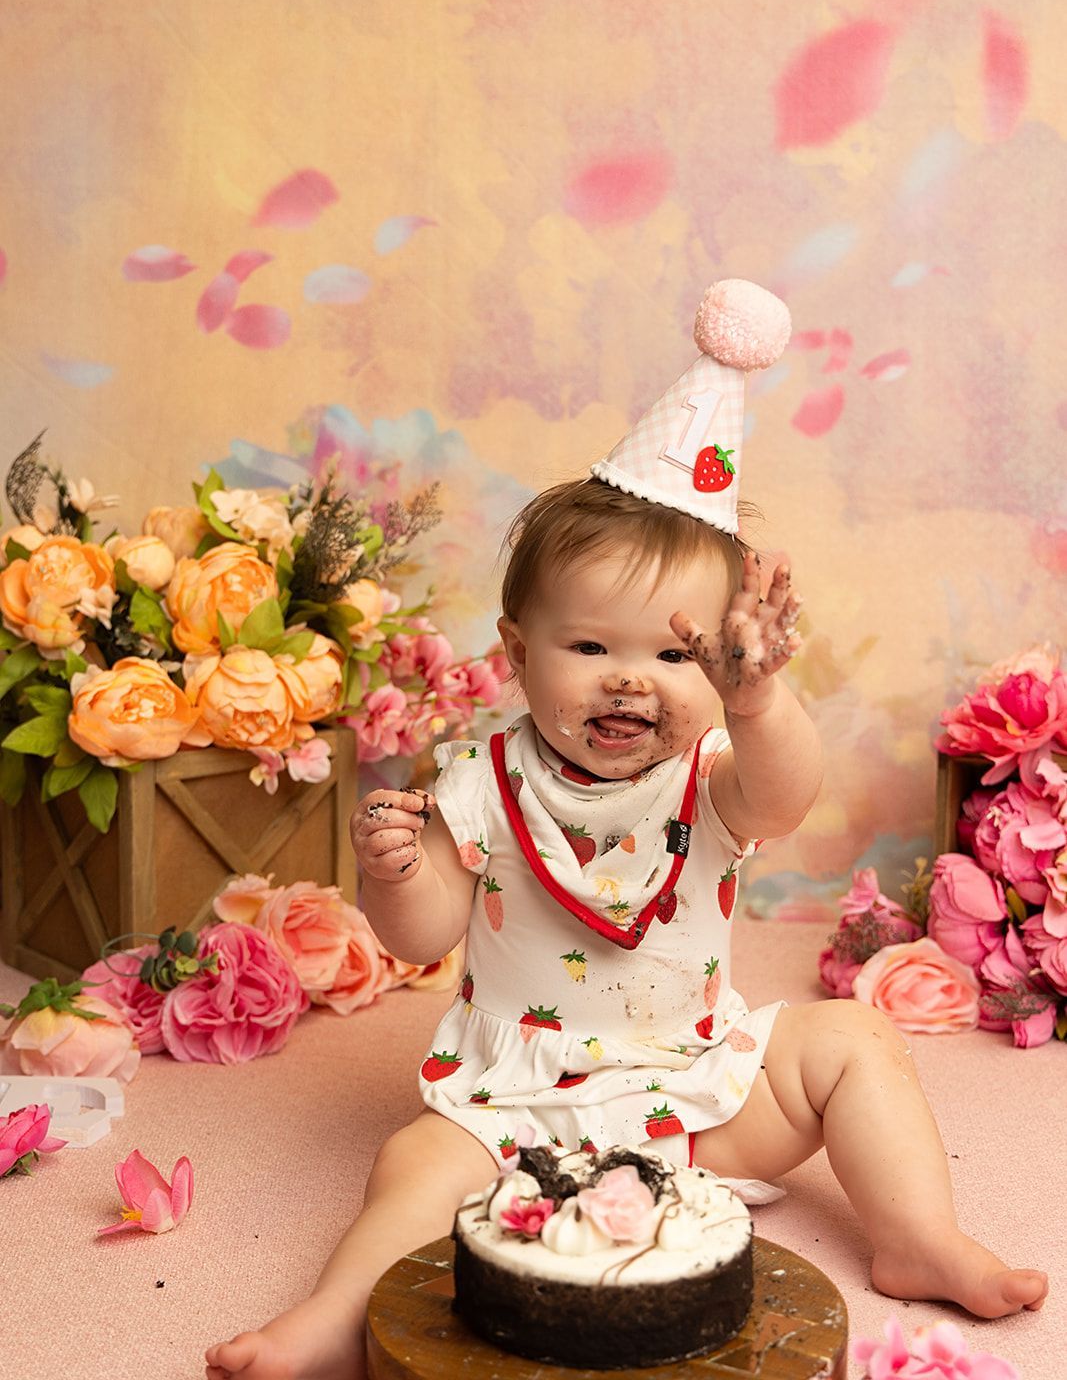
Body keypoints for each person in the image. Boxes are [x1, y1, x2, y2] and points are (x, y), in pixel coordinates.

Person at [205, 284, 1047, 1380]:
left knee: (852, 1043)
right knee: (413, 1165)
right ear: (515, 650)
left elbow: (785, 793)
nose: (630, 683)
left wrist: (755, 704)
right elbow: (423, 939)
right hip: (514, 1105)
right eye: (590, 646)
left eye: (673, 655)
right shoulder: (483, 775)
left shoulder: (710, 773)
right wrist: (396, 868)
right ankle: (326, 1316)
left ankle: (914, 1236)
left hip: (697, 1091)